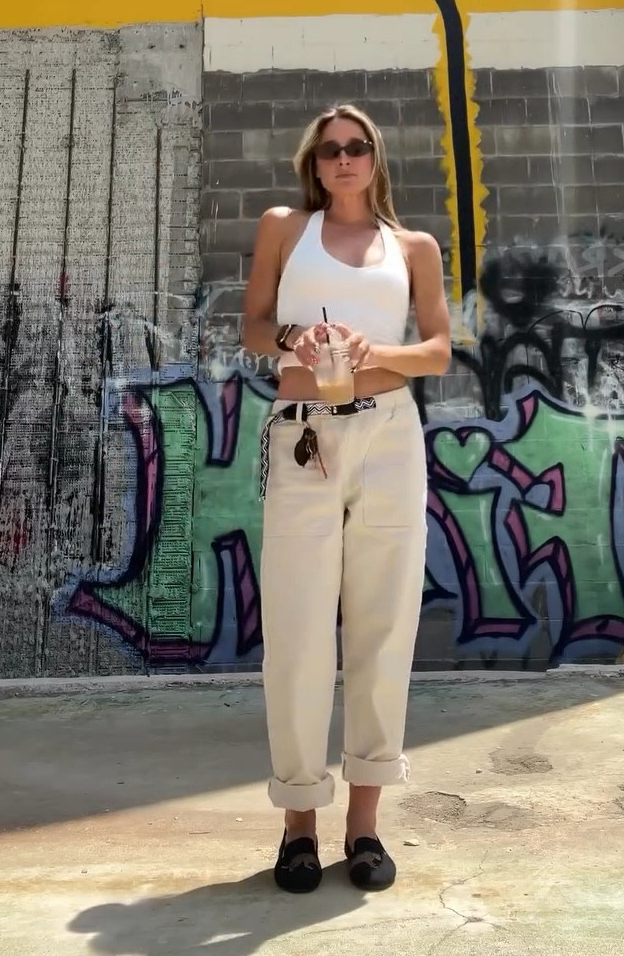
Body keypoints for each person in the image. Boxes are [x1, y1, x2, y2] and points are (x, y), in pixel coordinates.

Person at [240, 103, 450, 894]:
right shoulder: (284, 228)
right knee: (296, 629)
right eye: (329, 150)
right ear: (314, 163)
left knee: (382, 623)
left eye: (357, 147)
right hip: (303, 431)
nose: (343, 159)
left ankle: (365, 824)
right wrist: (295, 339)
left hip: (390, 434)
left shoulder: (413, 247)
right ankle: (299, 821)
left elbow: (436, 349)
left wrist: (372, 350)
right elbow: (252, 327)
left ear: (376, 158)